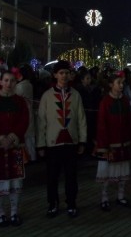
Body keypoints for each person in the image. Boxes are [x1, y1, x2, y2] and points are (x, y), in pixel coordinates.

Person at [37, 60, 87, 218]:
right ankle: (52, 204)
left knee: (71, 176)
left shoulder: (76, 95)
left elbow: (81, 119)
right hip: (53, 144)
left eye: (66, 73)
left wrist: (82, 141)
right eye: (61, 73)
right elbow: (41, 122)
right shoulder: (47, 96)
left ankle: (71, 203)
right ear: (55, 75)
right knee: (52, 177)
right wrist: (41, 145)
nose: (64, 76)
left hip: (71, 142)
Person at [0, 70, 30, 227]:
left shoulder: (20, 102)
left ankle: (14, 212)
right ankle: (1, 213)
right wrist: (0, 138)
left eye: (12, 81)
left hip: (15, 147)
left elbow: (24, 121)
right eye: (6, 80)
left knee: (15, 181)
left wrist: (12, 136)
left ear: (16, 83)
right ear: (1, 82)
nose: (9, 84)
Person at [94, 71, 131, 210]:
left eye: (122, 83)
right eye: (118, 83)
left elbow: (129, 122)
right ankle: (104, 198)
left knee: (122, 173)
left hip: (123, 142)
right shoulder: (105, 102)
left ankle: (121, 196)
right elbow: (102, 124)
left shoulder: (125, 100)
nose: (121, 85)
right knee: (106, 174)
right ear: (110, 85)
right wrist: (103, 145)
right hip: (110, 144)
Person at [14, 65, 36, 161]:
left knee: (25, 139)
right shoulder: (29, 84)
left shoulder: (20, 86)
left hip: (22, 115)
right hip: (29, 114)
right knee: (30, 139)